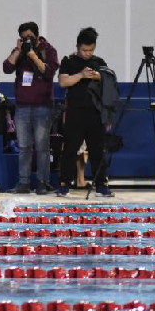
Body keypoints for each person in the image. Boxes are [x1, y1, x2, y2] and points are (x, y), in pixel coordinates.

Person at [3, 22, 59, 195]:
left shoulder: (48, 50)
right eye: (23, 37)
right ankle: (24, 183)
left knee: (42, 147)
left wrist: (33, 56)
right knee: (24, 147)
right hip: (22, 107)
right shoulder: (19, 52)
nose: (27, 40)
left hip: (43, 106)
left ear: (37, 36)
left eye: (30, 37)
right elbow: (6, 68)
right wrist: (18, 50)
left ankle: (43, 183)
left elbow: (48, 72)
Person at [56, 27, 113, 197]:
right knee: (70, 149)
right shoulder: (69, 61)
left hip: (95, 113)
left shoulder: (99, 62)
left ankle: (101, 185)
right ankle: (64, 184)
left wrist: (97, 76)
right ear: (77, 46)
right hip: (75, 112)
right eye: (84, 50)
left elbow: (108, 82)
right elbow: (63, 82)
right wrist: (81, 75)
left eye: (91, 50)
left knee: (97, 150)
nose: (87, 53)